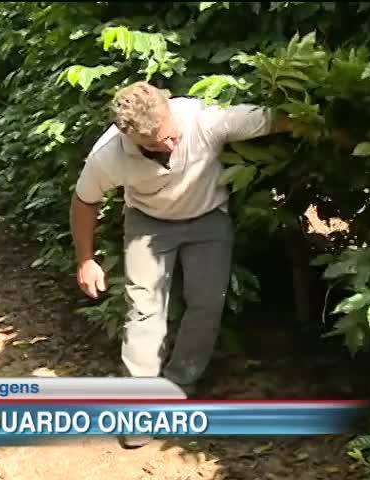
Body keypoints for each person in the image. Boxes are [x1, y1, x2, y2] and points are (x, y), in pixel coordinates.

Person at [69, 81, 292, 447]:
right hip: (148, 224)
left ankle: (179, 386)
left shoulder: (205, 119)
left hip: (208, 219)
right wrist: (85, 259)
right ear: (130, 138)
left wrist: (332, 124)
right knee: (144, 310)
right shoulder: (107, 155)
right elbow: (83, 201)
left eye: (170, 136)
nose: (169, 146)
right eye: (154, 145)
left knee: (206, 304)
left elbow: (274, 120)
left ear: (171, 111)